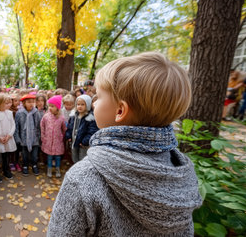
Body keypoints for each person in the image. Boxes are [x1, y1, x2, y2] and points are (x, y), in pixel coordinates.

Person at [48, 52, 202, 236]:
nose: (94, 103)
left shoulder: (83, 178)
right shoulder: (182, 173)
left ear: (120, 110)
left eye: (99, 96)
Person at [14, 94, 42, 176]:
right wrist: (17, 138)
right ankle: (25, 165)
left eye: (33, 102)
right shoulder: (19, 113)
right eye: (29, 102)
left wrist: (39, 137)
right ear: (23, 103)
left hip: (35, 137)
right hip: (24, 138)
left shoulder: (36, 112)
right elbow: (17, 126)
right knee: (24, 154)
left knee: (34, 155)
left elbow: (38, 126)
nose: (31, 104)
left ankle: (34, 165)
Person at [0, 93, 16, 183]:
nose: (9, 105)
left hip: (8, 137)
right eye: (6, 103)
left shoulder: (9, 113)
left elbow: (13, 125)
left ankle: (6, 170)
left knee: (6, 156)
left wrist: (9, 135)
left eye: (9, 103)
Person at [65, 94, 98, 163]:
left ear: (88, 105)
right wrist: (68, 135)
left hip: (83, 145)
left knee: (82, 159)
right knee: (74, 157)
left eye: (82, 104)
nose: (79, 106)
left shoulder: (90, 118)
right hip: (74, 141)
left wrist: (85, 141)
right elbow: (69, 127)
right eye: (78, 104)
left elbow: (92, 131)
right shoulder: (73, 116)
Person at [40, 95, 66, 178]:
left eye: (52, 106)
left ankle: (57, 168)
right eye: (49, 106)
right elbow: (42, 126)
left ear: (58, 107)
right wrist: (43, 136)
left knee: (58, 156)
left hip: (58, 141)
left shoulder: (61, 118)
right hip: (48, 140)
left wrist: (62, 136)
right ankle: (49, 168)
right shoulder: (46, 116)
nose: (50, 108)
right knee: (50, 156)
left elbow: (64, 128)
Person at [9, 93, 22, 172]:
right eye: (15, 101)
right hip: (11, 131)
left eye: (18, 101)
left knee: (17, 148)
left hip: (18, 131)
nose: (17, 102)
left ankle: (16, 162)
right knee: (11, 149)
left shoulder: (20, 110)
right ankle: (11, 162)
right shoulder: (10, 111)